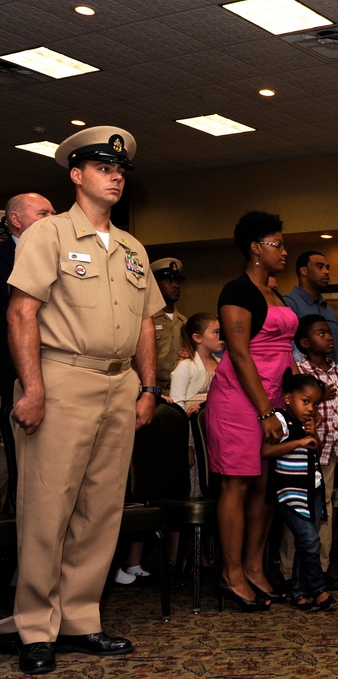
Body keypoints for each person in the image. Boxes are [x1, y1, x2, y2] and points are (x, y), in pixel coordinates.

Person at [0, 127, 162, 675]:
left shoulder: (134, 248)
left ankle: (80, 619)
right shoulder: (47, 234)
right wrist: (35, 387)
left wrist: (149, 387)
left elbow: (145, 325)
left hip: (119, 386)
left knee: (101, 510)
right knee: (47, 508)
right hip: (62, 377)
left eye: (120, 170)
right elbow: (21, 313)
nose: (116, 176)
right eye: (103, 167)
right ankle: (34, 628)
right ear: (76, 174)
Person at [204, 211, 296, 613]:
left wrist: (288, 404)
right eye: (277, 244)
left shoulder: (276, 293)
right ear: (256, 248)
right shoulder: (236, 291)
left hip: (273, 398)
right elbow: (240, 355)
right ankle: (232, 573)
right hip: (239, 401)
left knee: (265, 487)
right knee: (237, 486)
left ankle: (256, 568)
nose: (284, 251)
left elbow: (283, 353)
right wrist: (264, 412)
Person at [279, 314, 338, 590]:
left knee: (325, 511)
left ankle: (319, 570)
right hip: (304, 452)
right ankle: (288, 572)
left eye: (330, 333)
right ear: (305, 342)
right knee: (298, 510)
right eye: (321, 333)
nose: (329, 337)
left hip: (330, 449)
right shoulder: (300, 371)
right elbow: (298, 409)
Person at [262, 369, 335, 611]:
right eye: (306, 401)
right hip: (290, 492)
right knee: (309, 539)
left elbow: (314, 450)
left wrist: (313, 437)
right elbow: (266, 451)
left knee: (307, 541)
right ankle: (319, 590)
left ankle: (298, 592)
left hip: (312, 488)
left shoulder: (307, 423)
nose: (310, 408)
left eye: (314, 403)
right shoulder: (280, 419)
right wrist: (299, 441)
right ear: (288, 398)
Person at [0, 193, 55, 512]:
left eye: (53, 212)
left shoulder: (62, 258)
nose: (52, 218)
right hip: (7, 378)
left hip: (52, 378)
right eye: (42, 213)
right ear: (16, 220)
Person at [170, 312, 223, 496]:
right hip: (191, 433)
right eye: (216, 332)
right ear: (197, 337)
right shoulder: (185, 366)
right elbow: (175, 410)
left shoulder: (222, 365)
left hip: (216, 432)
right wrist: (186, 446)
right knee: (195, 480)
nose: (221, 337)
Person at [283, 251, 338, 363]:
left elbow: (336, 353)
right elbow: (286, 351)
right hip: (303, 377)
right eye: (320, 267)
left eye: (327, 267)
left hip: (332, 377)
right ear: (303, 271)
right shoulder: (288, 304)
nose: (326, 272)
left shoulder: (330, 311)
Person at [151, 258, 188, 391]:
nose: (175, 285)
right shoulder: (147, 321)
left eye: (177, 281)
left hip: (179, 389)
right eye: (168, 281)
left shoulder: (184, 322)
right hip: (152, 389)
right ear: (155, 285)